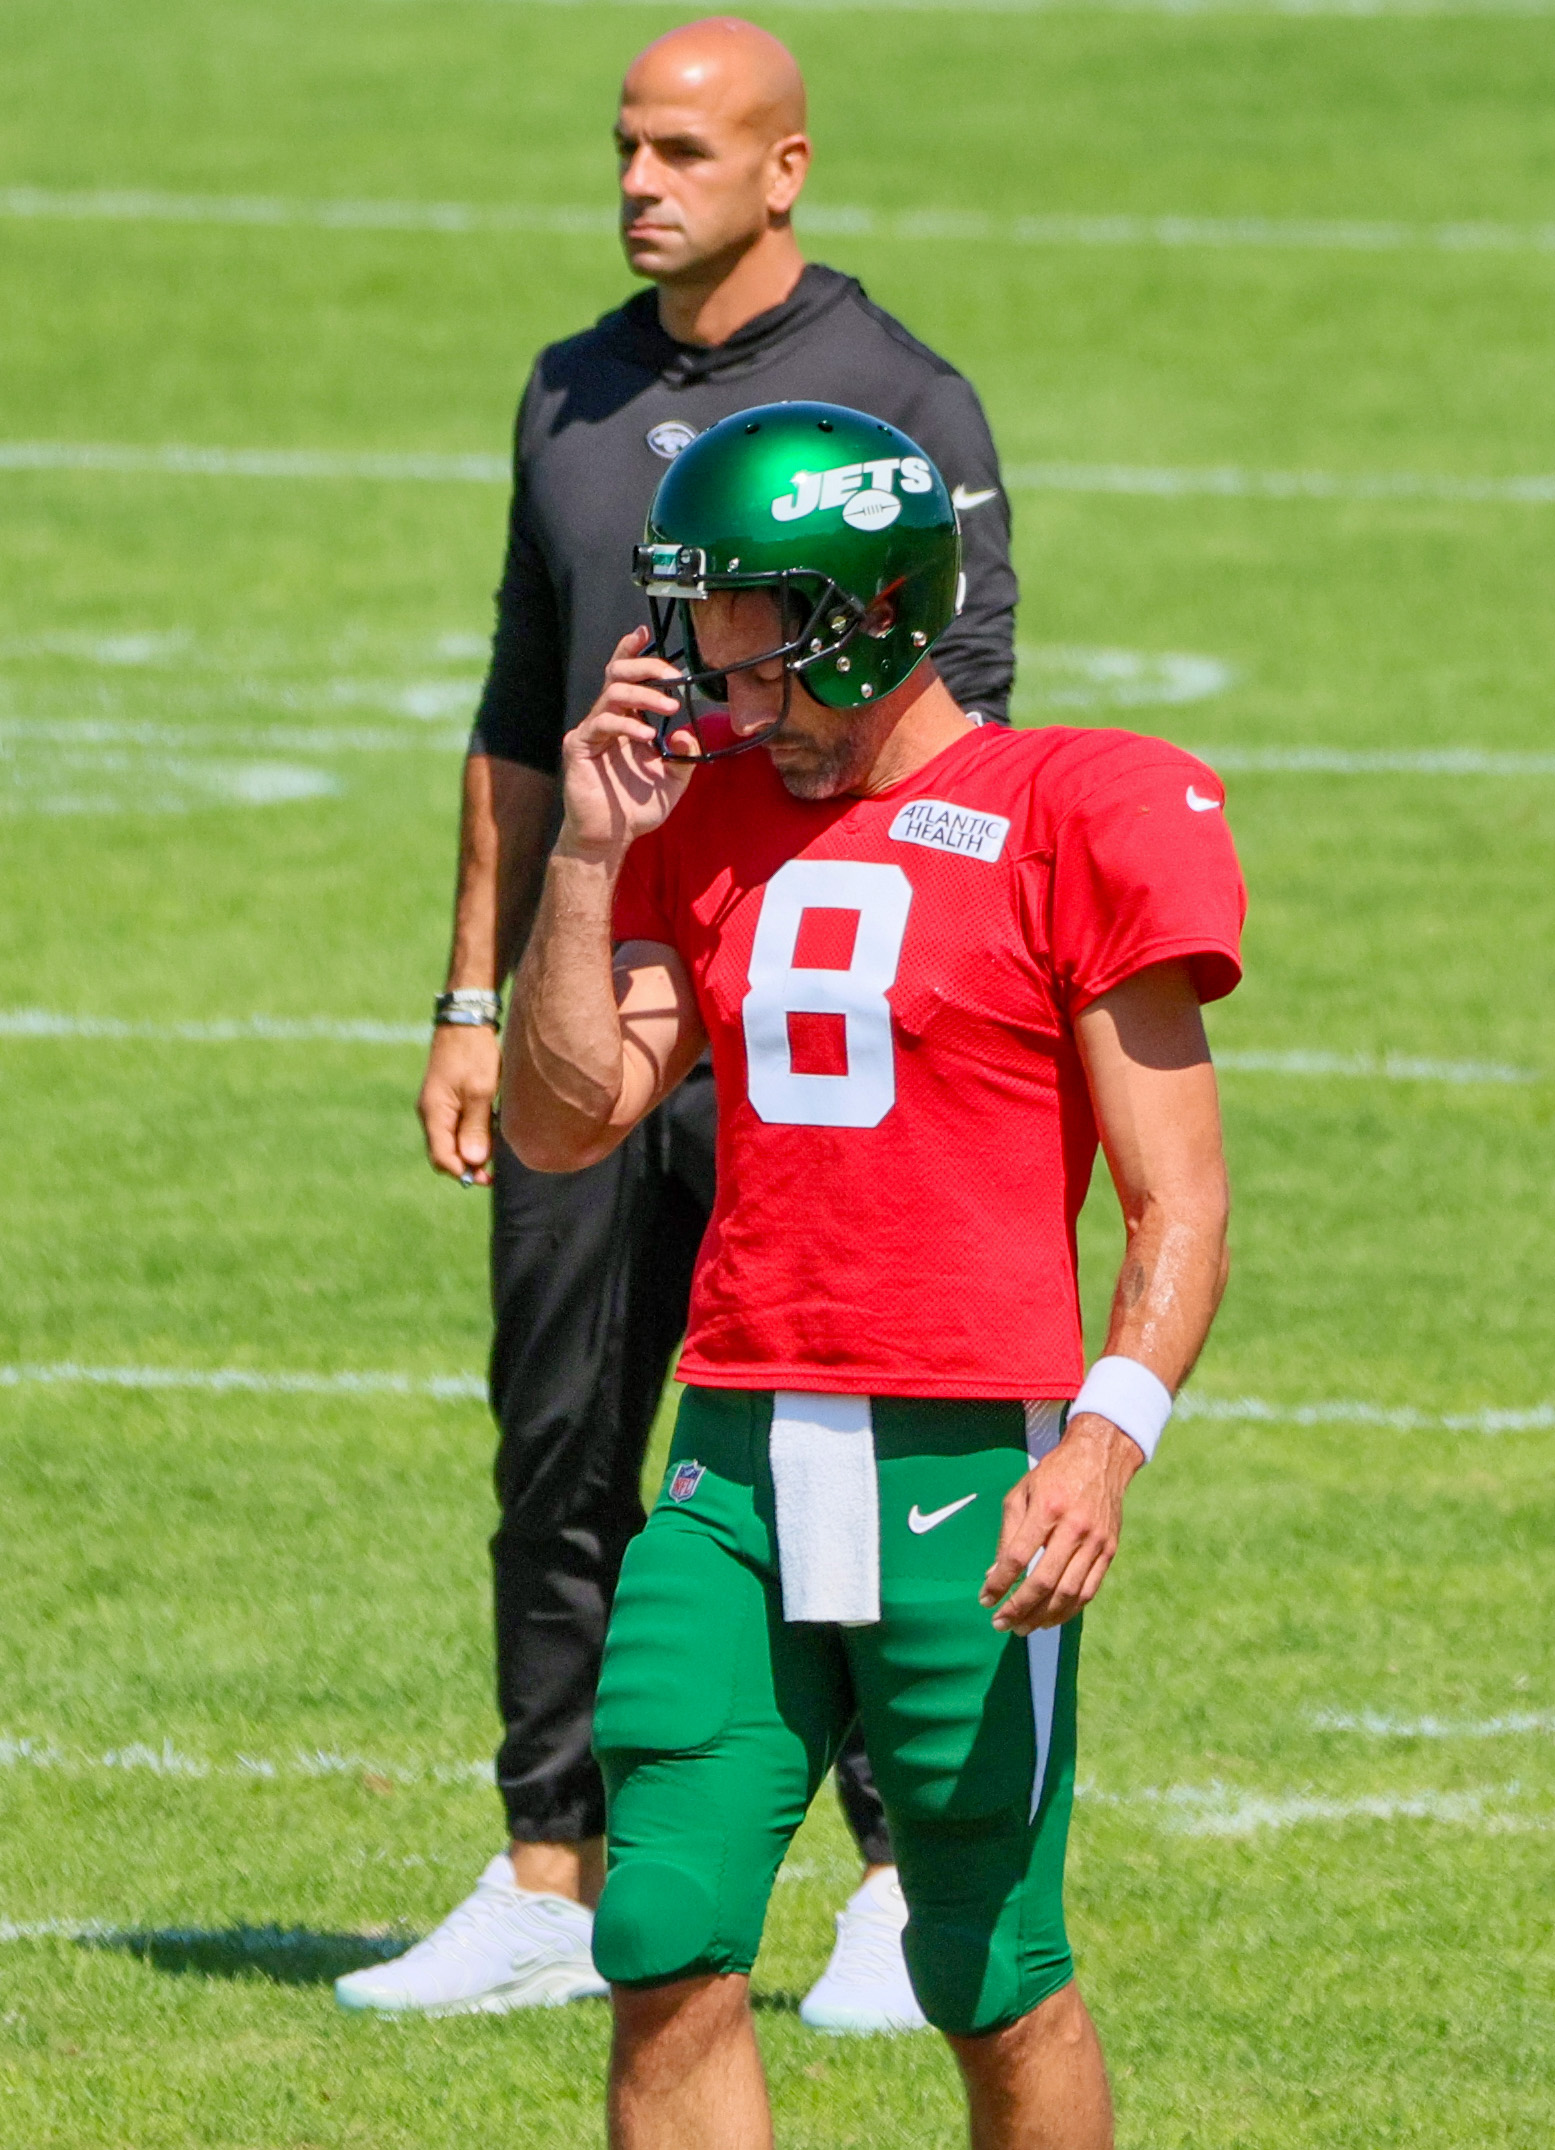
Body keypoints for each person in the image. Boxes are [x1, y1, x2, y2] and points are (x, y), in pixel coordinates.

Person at [334, 17, 1017, 2026]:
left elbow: (946, 713)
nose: (643, 182)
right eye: (627, 147)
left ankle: (900, 1881)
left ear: (785, 168)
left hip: (807, 1012)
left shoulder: (899, 401)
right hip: (583, 982)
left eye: (686, 151)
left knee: (833, 1428)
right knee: (554, 1430)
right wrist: (472, 996)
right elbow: (514, 714)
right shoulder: (568, 388)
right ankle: (551, 1864)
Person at [501, 401, 1244, 2148]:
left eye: (763, 653)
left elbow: (1180, 1202)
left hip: (967, 1453)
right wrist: (589, 850)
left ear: (880, 613)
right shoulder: (705, 821)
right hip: (736, 1453)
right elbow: (562, 1120)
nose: (727, 696)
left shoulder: (1080, 803)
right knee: (661, 1936)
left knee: (988, 1962)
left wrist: (1103, 1442)